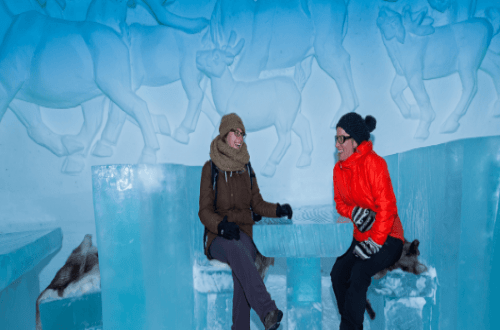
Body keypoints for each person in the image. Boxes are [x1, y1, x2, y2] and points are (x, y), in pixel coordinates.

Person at [198, 113, 293, 330]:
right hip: (218, 236)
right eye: (236, 133)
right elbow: (204, 211)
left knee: (243, 264)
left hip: (243, 233)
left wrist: (277, 209)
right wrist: (221, 226)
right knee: (237, 251)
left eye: (242, 134)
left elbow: (257, 203)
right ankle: (267, 310)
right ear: (225, 134)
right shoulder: (210, 168)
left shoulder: (246, 168)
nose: (240, 138)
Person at [330, 113, 404, 330]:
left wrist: (375, 243)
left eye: (342, 139)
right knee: (337, 275)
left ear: (355, 141)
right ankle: (353, 320)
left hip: (389, 237)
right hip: (360, 236)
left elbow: (387, 208)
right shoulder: (338, 170)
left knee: (359, 272)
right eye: (336, 138)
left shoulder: (375, 164)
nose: (337, 144)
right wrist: (354, 212)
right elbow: (339, 203)